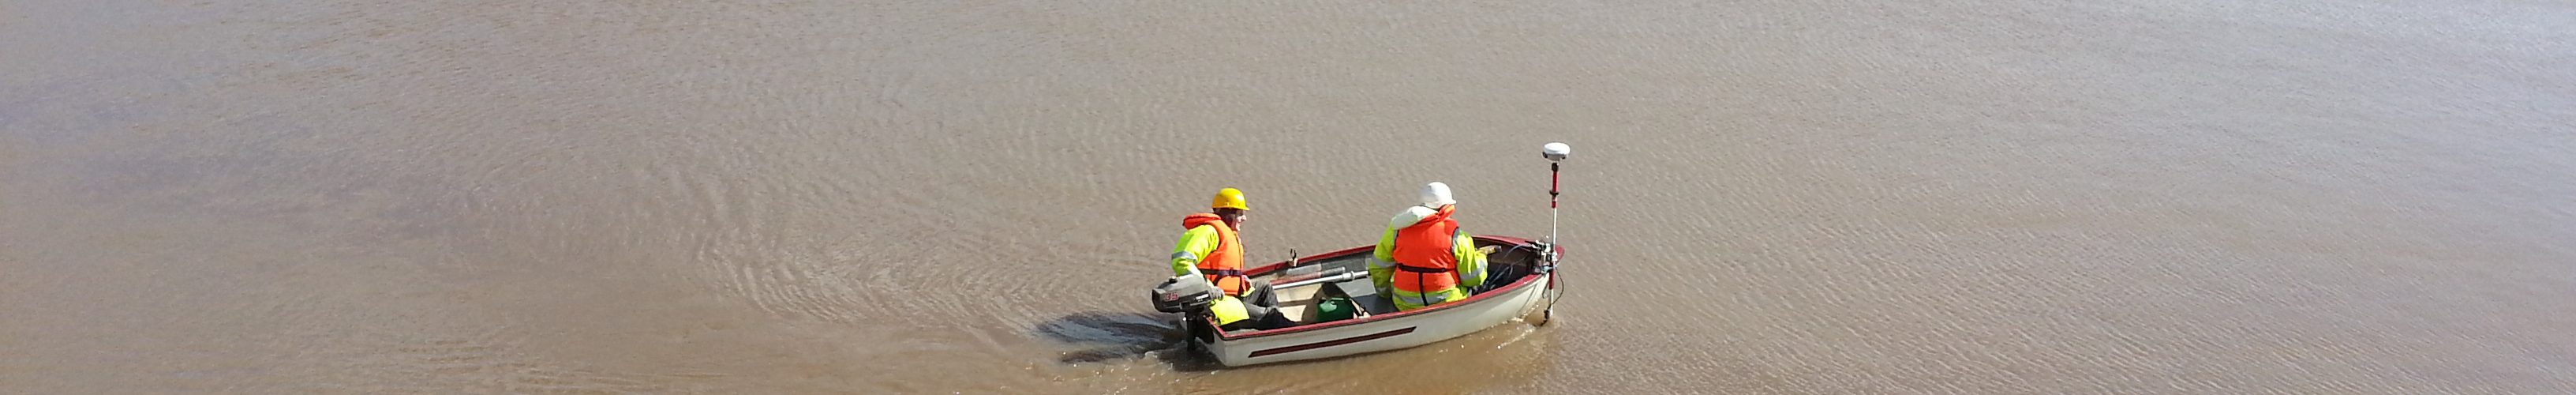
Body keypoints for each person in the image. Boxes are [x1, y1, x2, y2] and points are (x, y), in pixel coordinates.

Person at [1171, 187, 1289, 330]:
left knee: (1264, 288)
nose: (1244, 218)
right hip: (1214, 303)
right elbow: (1182, 261)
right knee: (1272, 317)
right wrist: (1208, 287)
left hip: (1228, 296)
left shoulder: (1226, 232)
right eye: (1240, 214)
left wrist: (1239, 280)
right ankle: (1286, 331)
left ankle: (1270, 331)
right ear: (1229, 215)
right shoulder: (1209, 232)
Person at [1369, 182, 1488, 311]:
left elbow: (1379, 266)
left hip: (1403, 303)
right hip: (1447, 301)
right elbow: (1472, 279)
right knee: (1478, 288)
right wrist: (1481, 257)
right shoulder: (1457, 236)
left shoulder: (1397, 230)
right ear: (1448, 206)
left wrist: (1385, 294)